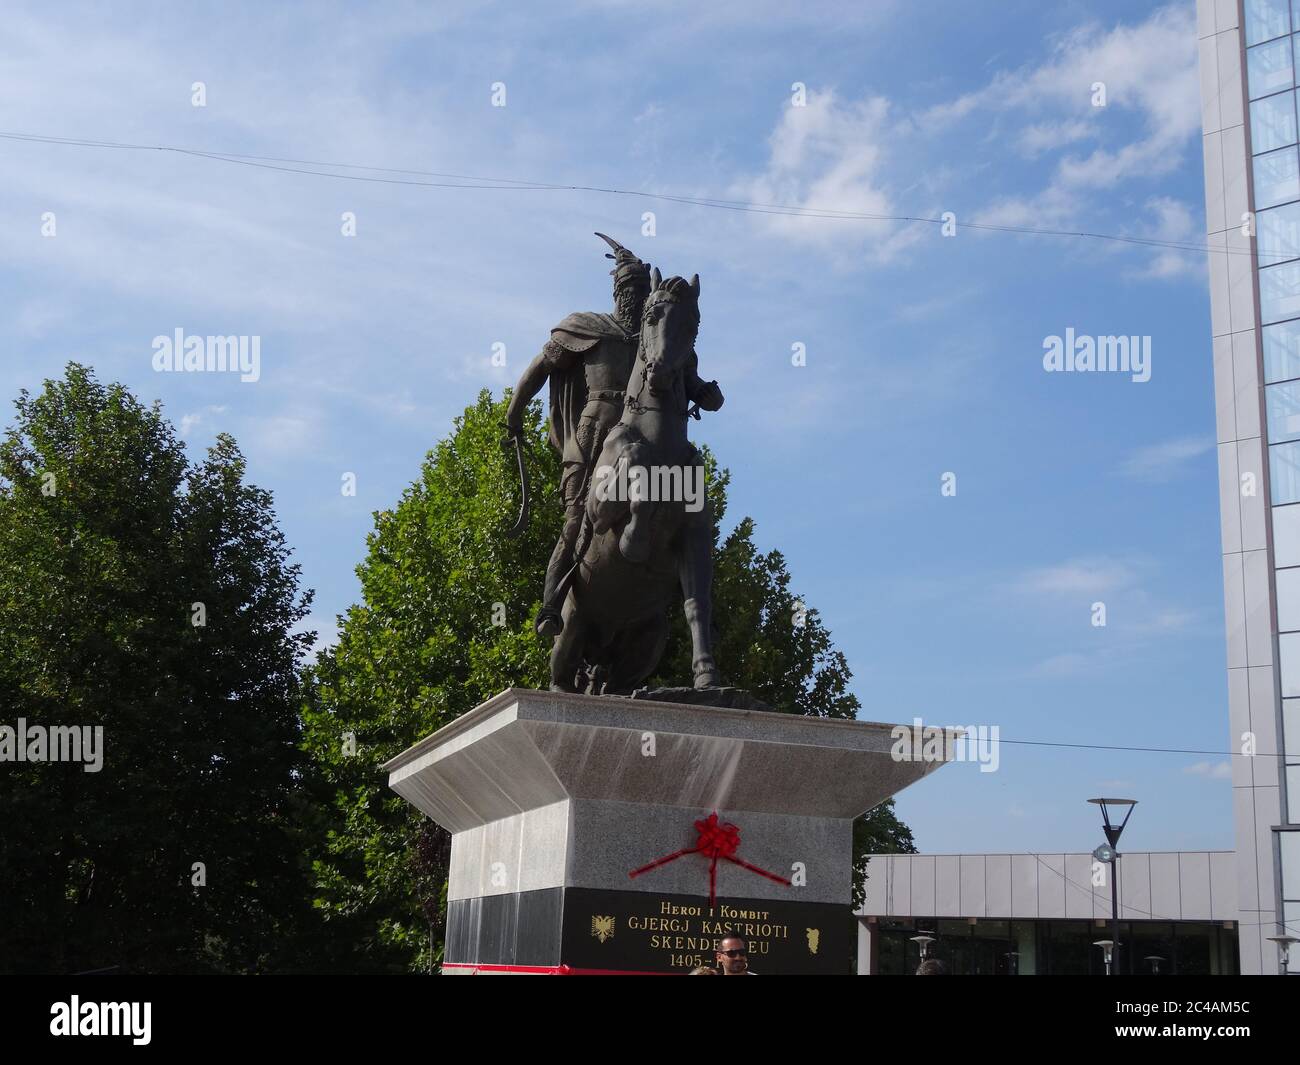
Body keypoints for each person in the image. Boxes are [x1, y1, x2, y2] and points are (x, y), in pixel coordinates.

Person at [503, 233, 723, 640]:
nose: (634, 296)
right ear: (616, 291)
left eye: (640, 290)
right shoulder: (587, 329)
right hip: (595, 437)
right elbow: (539, 369)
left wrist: (709, 394)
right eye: (628, 289)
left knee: (691, 505)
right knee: (574, 521)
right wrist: (514, 415)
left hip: (649, 433)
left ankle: (698, 596)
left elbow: (690, 383)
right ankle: (552, 605)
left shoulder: (661, 339)